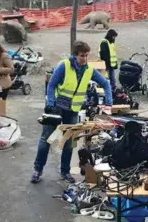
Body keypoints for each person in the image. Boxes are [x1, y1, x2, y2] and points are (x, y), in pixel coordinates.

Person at [31, 40, 112, 184]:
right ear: (75, 55)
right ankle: (38, 170)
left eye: (87, 55)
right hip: (56, 107)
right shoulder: (65, 65)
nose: (85, 59)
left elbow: (105, 83)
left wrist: (109, 101)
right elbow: (51, 85)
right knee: (47, 139)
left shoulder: (89, 70)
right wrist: (50, 103)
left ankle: (65, 172)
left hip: (73, 110)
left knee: (69, 142)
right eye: (82, 56)